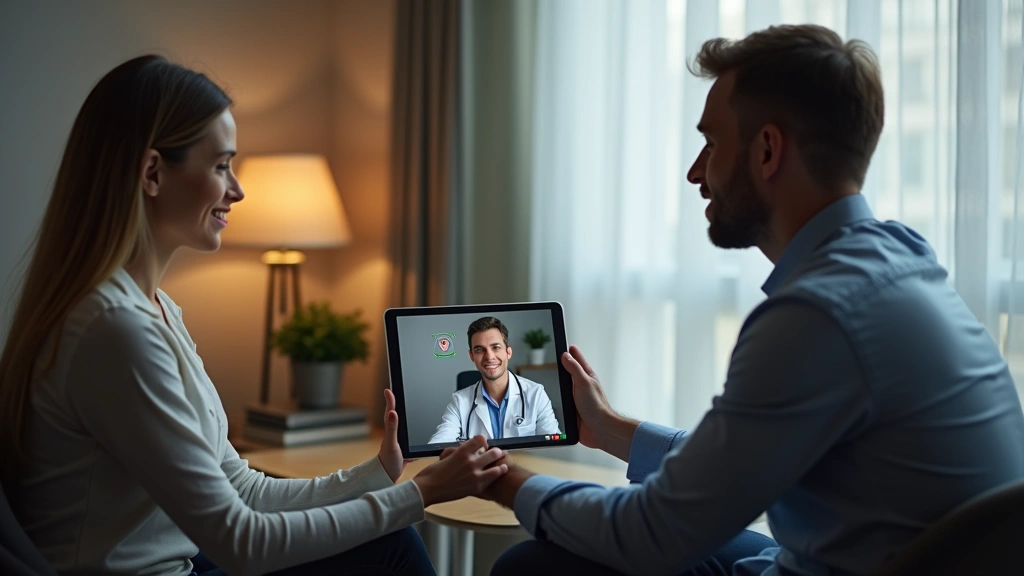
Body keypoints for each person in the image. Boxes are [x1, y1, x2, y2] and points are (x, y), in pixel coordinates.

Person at [478, 24, 1024, 576]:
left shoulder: (818, 314)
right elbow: (741, 464)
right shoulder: (899, 258)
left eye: (712, 143)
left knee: (531, 566)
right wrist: (609, 427)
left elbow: (653, 533)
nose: (696, 172)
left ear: (767, 150)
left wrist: (499, 478)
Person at [0, 55, 509, 576]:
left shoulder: (153, 310)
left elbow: (242, 489)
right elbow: (241, 542)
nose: (237, 189)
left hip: (188, 563)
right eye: (221, 166)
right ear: (152, 172)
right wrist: (418, 496)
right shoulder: (114, 331)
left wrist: (379, 473)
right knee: (393, 545)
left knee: (391, 543)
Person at [427, 317, 561, 444]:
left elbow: (555, 441)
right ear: (471, 356)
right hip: (480, 468)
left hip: (519, 466)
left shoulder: (536, 394)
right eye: (479, 350)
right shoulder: (459, 400)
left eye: (496, 347)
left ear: (508, 352)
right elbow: (440, 441)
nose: (489, 356)